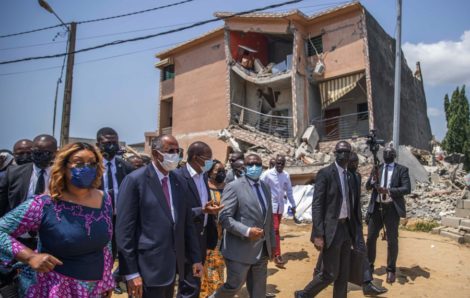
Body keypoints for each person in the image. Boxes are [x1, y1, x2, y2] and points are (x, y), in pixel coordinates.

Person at [0, 142, 114, 297]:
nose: (86, 168)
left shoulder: (105, 199)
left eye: (92, 163)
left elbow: (105, 246)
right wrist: (30, 256)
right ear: (64, 166)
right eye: (79, 163)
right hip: (55, 288)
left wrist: (106, 280)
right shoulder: (45, 204)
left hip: (93, 289)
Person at [116, 135, 203, 298]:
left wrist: (195, 258)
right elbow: (124, 232)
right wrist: (131, 273)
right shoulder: (135, 181)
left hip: (171, 267)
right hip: (146, 269)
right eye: (170, 151)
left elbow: (186, 224)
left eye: (178, 151)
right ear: (156, 154)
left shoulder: (178, 180)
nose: (175, 155)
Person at [313, 153, 388, 296]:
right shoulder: (337, 175)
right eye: (353, 162)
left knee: (360, 250)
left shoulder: (356, 177)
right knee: (329, 248)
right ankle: (317, 275)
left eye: (357, 162)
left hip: (353, 222)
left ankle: (366, 283)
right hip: (338, 222)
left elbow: (356, 200)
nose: (355, 165)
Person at [295, 141, 358, 298]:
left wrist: (356, 233)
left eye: (346, 152)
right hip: (331, 229)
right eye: (340, 151)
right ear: (335, 154)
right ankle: (304, 294)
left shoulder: (350, 176)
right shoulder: (325, 173)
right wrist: (318, 234)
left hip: (346, 228)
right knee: (330, 273)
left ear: (350, 155)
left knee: (343, 275)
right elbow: (317, 205)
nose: (343, 155)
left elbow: (353, 206)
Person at [210, 153, 275, 298]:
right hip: (239, 249)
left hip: (262, 249)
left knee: (259, 291)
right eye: (250, 164)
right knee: (234, 286)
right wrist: (246, 231)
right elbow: (224, 217)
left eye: (257, 164)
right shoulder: (234, 187)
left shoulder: (265, 187)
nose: (254, 167)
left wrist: (273, 245)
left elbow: (268, 219)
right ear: (244, 167)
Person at [174, 141, 221, 298]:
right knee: (189, 284)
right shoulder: (178, 177)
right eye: (207, 158)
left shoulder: (203, 175)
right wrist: (201, 210)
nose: (210, 162)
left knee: (194, 282)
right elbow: (176, 210)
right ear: (195, 157)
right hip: (185, 237)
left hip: (201, 236)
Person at [96, 127, 134, 294]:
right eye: (107, 143)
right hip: (97, 220)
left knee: (119, 253)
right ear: (98, 145)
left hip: (120, 219)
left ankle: (112, 283)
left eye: (114, 143)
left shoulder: (126, 167)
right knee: (99, 256)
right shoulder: (91, 166)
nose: (111, 146)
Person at [366, 145, 411, 284]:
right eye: (385, 153)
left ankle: (391, 269)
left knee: (392, 240)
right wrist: (373, 181)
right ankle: (369, 266)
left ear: (394, 155)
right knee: (371, 237)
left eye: (390, 153)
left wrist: (389, 191)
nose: (387, 155)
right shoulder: (377, 168)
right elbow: (368, 186)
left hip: (392, 209)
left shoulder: (401, 169)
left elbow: (407, 188)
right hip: (377, 207)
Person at [0, 134, 57, 222]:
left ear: (55, 154)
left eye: (46, 153)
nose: (40, 156)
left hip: (49, 230)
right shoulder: (13, 173)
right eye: (36, 152)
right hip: (17, 230)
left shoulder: (62, 175)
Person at [261, 154, 296, 267]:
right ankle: (277, 255)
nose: (280, 165)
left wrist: (293, 204)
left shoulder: (286, 175)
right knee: (275, 230)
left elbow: (289, 191)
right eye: (278, 163)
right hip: (270, 206)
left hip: (280, 207)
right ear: (275, 163)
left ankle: (269, 251)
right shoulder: (267, 174)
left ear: (285, 164)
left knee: (273, 230)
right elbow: (259, 186)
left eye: (282, 163)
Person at [200, 160, 226, 298]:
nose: (222, 173)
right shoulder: (204, 188)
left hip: (224, 236)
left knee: (218, 266)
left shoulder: (227, 188)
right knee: (207, 266)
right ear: (210, 172)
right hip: (208, 233)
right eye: (218, 170)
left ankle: (216, 293)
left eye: (223, 170)